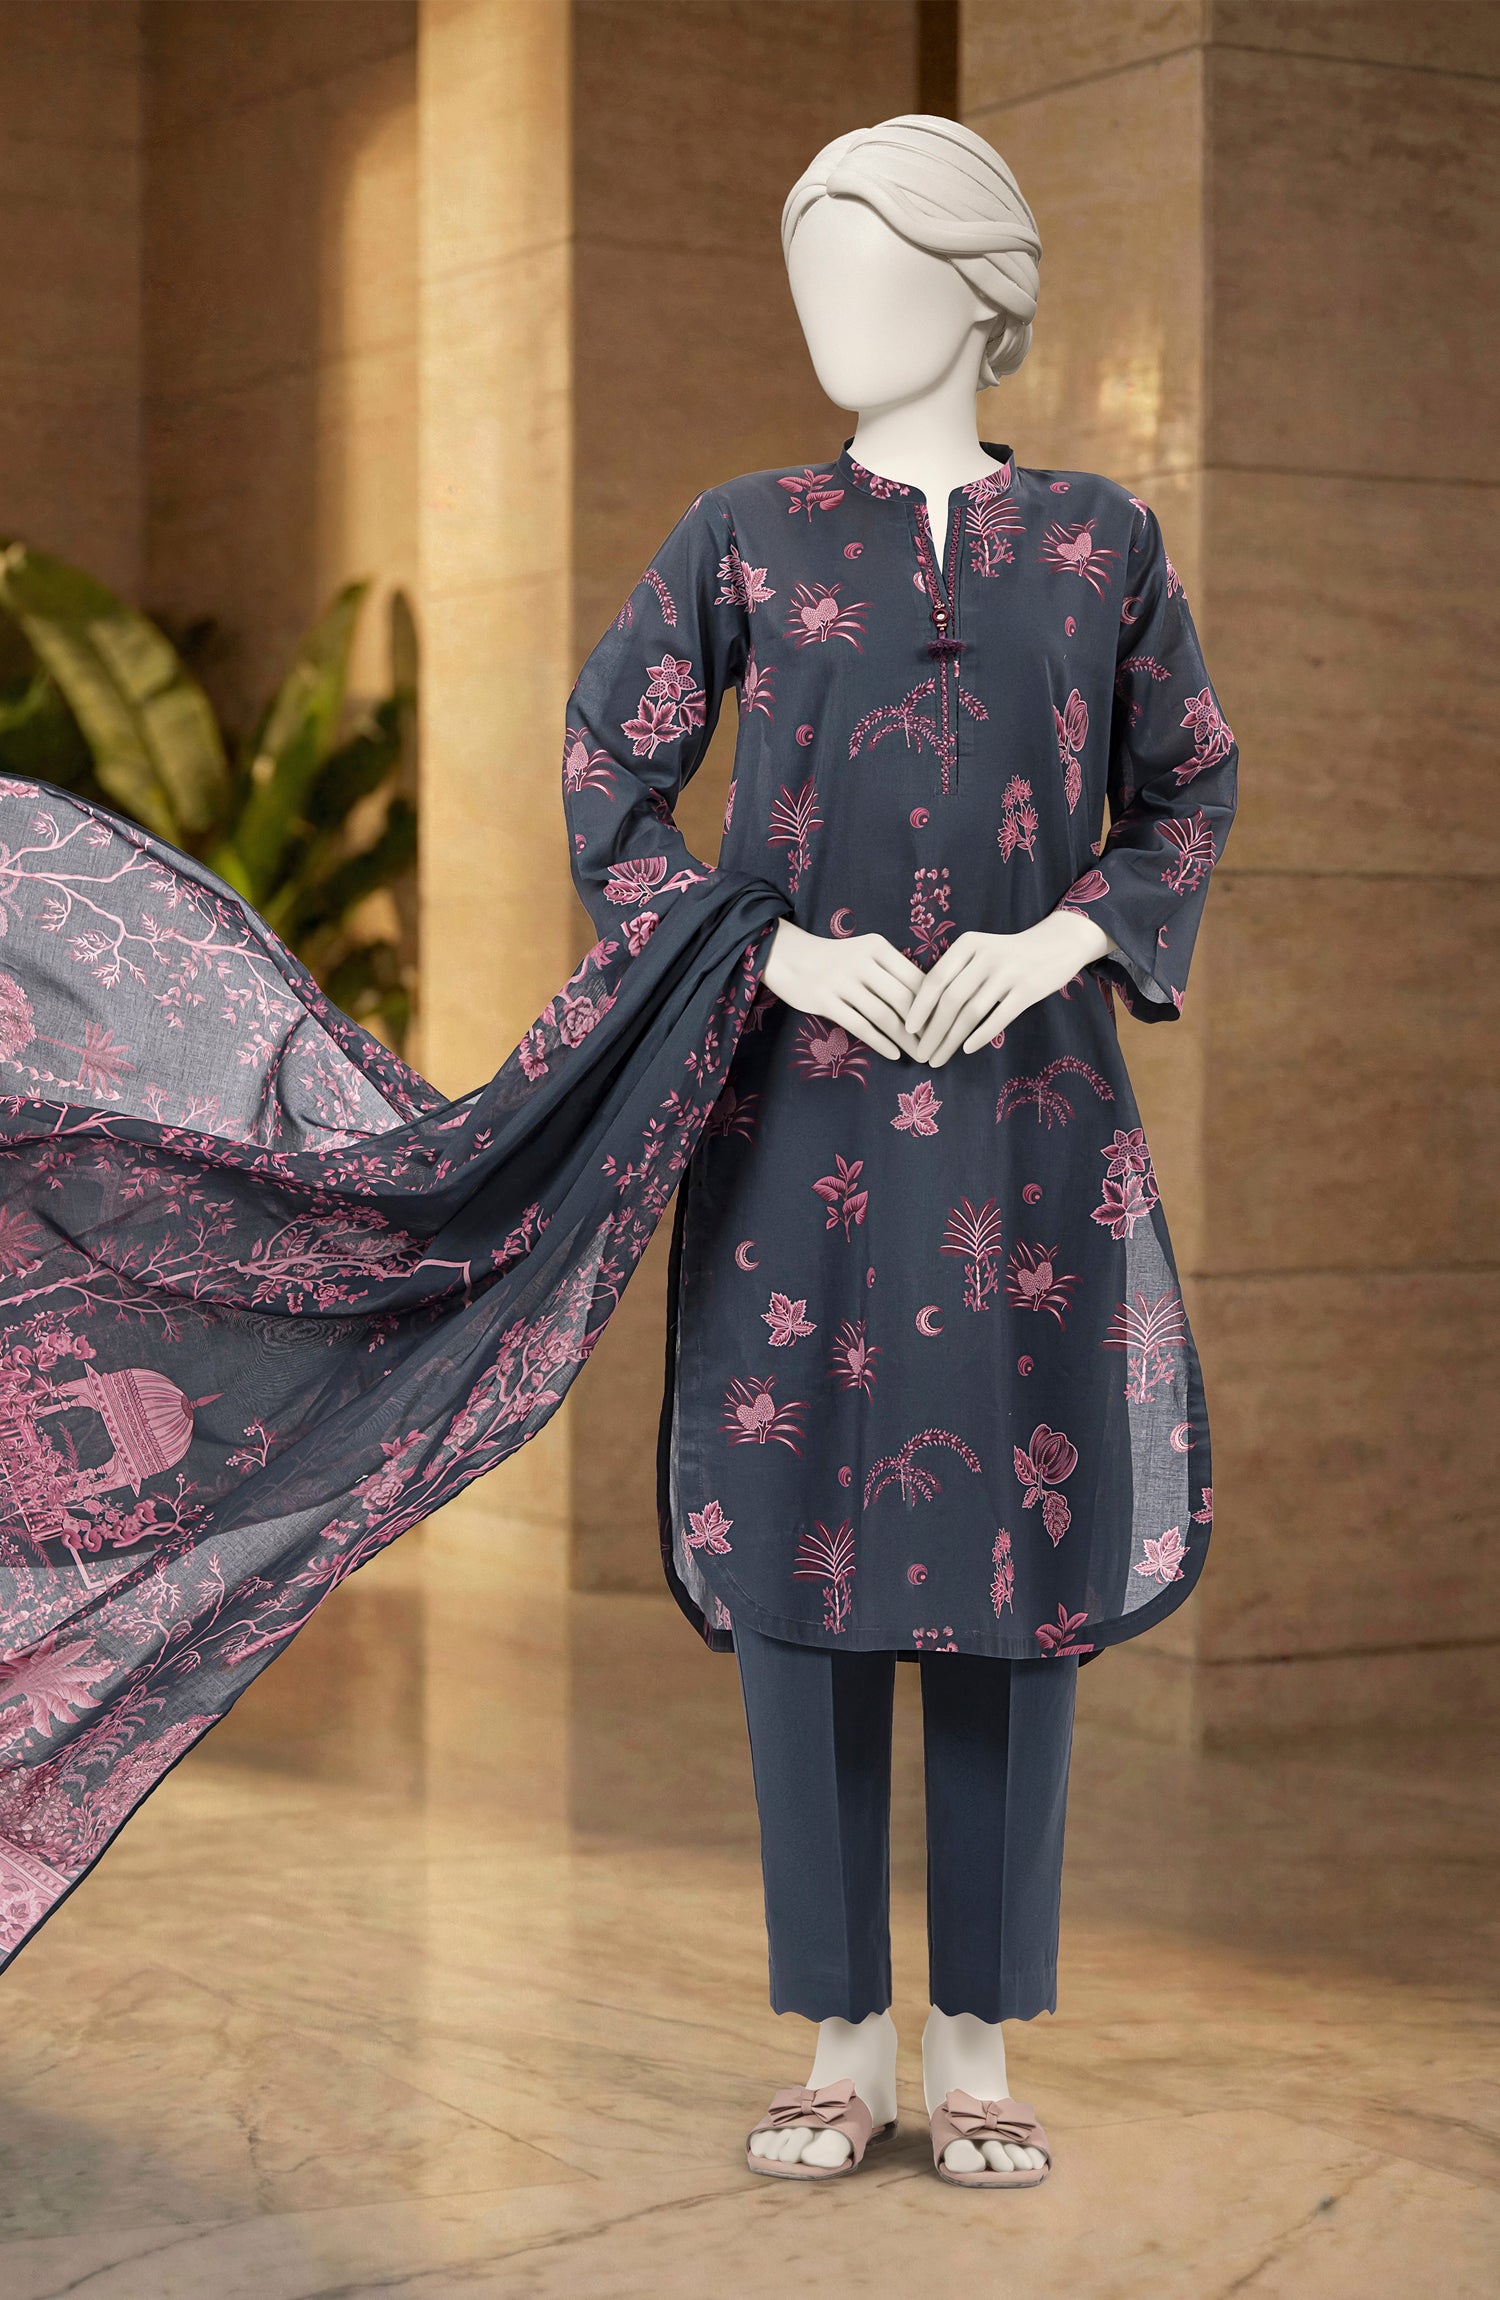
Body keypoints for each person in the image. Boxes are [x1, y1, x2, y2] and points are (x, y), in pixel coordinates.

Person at [558, 114, 1237, 2187]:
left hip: (1035, 1128)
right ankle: (839, 2036)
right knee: (797, 1550)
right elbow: (606, 775)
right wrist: (778, 954)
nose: (829, 308)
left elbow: (1189, 788)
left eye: (866, 263)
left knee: (1022, 1555)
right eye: (810, 267)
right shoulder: (747, 534)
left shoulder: (1103, 542)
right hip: (804, 1122)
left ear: (977, 287)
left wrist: (1063, 937)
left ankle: (979, 2041)